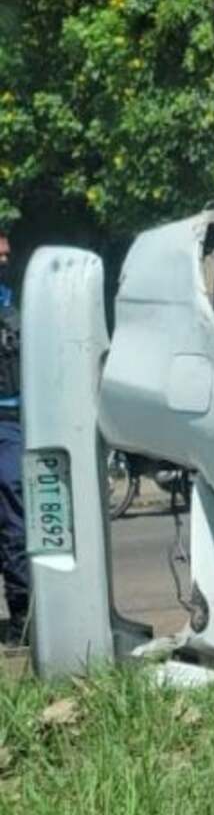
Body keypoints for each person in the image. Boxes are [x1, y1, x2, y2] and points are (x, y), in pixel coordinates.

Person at [0, 228, 24, 644]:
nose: (5, 254)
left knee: (18, 525)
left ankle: (24, 618)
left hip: (16, 423)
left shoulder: (12, 303)